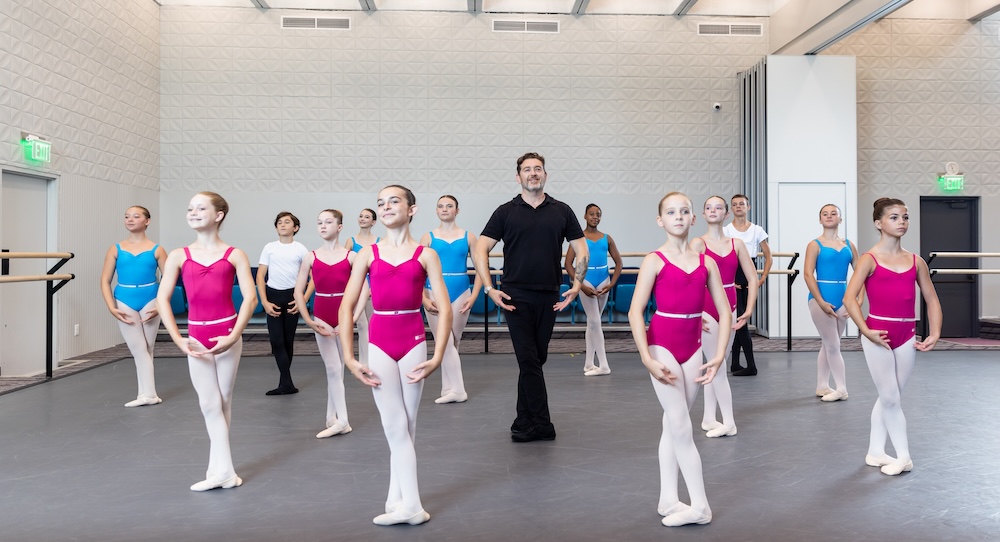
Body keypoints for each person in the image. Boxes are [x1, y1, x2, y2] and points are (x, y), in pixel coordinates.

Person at [339, 185, 452, 526]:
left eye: (394, 201)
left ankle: (409, 504)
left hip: (414, 340)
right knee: (394, 423)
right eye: (380, 203)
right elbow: (347, 306)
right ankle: (400, 497)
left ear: (412, 209)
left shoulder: (425, 254)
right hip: (380, 344)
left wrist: (437, 356)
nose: (385, 207)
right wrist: (348, 356)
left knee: (406, 423)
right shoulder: (367, 254)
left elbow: (444, 309)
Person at [629, 192, 731, 527]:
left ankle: (668, 498)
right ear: (661, 220)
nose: (678, 216)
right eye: (671, 212)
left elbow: (725, 311)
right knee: (681, 425)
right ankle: (701, 506)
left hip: (694, 347)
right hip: (663, 347)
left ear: (693, 219)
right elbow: (634, 311)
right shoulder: (654, 260)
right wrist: (645, 357)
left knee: (671, 424)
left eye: (684, 211)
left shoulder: (707, 263)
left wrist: (717, 355)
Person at [475, 152, 589, 443]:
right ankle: (541, 424)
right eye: (527, 170)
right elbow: (480, 249)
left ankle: (522, 417)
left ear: (545, 175)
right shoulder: (505, 212)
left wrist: (576, 285)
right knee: (528, 359)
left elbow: (582, 249)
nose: (533, 173)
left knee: (536, 359)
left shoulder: (562, 210)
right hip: (515, 296)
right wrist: (490, 287)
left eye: (538, 169)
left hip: (550, 295)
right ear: (518, 177)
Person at [157, 192, 257, 491]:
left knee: (223, 401)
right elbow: (162, 298)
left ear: (219, 215)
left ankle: (220, 469)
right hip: (196, 337)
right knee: (209, 403)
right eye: (190, 208)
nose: (193, 212)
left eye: (201, 208)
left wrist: (234, 335)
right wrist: (178, 338)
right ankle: (225, 471)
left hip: (226, 332)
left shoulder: (235, 254)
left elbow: (250, 298)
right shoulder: (178, 255)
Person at [843, 197, 942, 476]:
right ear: (879, 223)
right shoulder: (868, 259)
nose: (902, 222)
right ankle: (903, 457)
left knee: (891, 396)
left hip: (907, 333)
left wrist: (934, 332)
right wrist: (866, 330)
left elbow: (931, 299)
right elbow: (850, 299)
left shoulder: (916, 261)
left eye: (905, 217)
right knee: (890, 397)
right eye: (895, 217)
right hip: (879, 334)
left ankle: (876, 451)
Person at [691, 196, 758, 438]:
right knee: (716, 366)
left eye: (718, 207)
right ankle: (727, 421)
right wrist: (696, 314)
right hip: (707, 309)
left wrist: (748, 309)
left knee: (715, 363)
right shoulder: (698, 243)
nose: (713, 210)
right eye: (708, 207)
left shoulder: (737, 243)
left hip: (729, 307)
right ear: (703, 213)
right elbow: (689, 282)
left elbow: (752, 278)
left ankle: (710, 417)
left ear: (726, 214)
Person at [294, 209, 362, 438]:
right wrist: (308, 320)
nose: (323, 226)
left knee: (339, 369)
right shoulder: (310, 257)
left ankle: (332, 417)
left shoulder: (352, 257)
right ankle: (341, 420)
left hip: (343, 315)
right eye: (319, 222)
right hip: (321, 315)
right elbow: (298, 291)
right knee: (333, 369)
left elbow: (365, 289)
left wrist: (353, 317)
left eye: (328, 222)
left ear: (340, 227)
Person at [100, 206, 168, 407]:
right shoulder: (115, 249)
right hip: (124, 298)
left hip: (151, 298)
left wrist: (160, 305)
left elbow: (169, 279)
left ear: (147, 221)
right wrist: (111, 307)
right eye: (127, 216)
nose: (130, 219)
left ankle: (144, 393)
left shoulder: (157, 249)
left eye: (136, 216)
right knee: (138, 348)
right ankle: (150, 394)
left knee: (148, 347)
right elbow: (105, 280)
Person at [419, 195, 482, 404]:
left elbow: (481, 269)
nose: (444, 209)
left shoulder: (469, 237)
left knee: (453, 341)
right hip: (433, 292)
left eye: (449, 206)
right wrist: (423, 299)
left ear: (457, 210)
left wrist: (474, 295)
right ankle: (455, 389)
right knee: (443, 341)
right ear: (436, 211)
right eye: (440, 206)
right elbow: (417, 272)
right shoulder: (427, 238)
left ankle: (451, 388)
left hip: (461, 290)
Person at [803, 204, 860, 402]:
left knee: (828, 344)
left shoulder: (849, 245)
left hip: (843, 297)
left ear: (840, 219)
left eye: (833, 213)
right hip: (821, 297)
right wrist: (821, 301)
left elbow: (860, 273)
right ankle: (842, 388)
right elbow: (808, 275)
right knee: (833, 344)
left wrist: (858, 300)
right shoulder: (814, 244)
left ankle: (822, 385)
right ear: (820, 220)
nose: (829, 216)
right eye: (825, 214)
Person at [564, 203, 622, 376]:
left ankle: (589, 363)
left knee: (593, 323)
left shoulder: (607, 238)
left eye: (598, 214)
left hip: (604, 281)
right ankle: (604, 365)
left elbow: (619, 263)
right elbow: (568, 264)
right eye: (591, 214)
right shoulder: (578, 238)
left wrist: (611, 284)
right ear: (585, 216)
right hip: (586, 281)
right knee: (596, 322)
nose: (595, 217)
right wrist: (580, 285)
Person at [258, 211, 308, 395]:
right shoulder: (270, 247)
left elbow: (312, 278)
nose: (283, 224)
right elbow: (260, 276)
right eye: (280, 222)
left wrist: (302, 298)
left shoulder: (301, 249)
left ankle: (285, 383)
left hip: (292, 297)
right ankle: (287, 382)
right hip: (273, 296)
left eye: (287, 222)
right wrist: (264, 301)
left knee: (288, 341)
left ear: (295, 228)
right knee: (276, 340)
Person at [723, 194, 772, 376]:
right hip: (733, 275)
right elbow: (723, 256)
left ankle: (749, 365)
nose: (738, 207)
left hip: (748, 274)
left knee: (740, 320)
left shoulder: (757, 230)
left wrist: (762, 277)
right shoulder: (727, 230)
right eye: (734, 204)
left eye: (741, 204)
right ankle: (737, 363)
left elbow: (768, 256)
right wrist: (727, 279)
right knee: (739, 321)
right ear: (731, 209)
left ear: (748, 207)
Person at [345, 208, 379, 367]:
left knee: (373, 325)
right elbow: (345, 266)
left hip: (374, 287)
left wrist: (375, 287)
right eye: (360, 216)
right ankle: (364, 362)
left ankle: (373, 360)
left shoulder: (380, 241)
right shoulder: (351, 241)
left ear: (373, 222)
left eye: (367, 217)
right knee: (361, 324)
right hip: (357, 286)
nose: (362, 219)